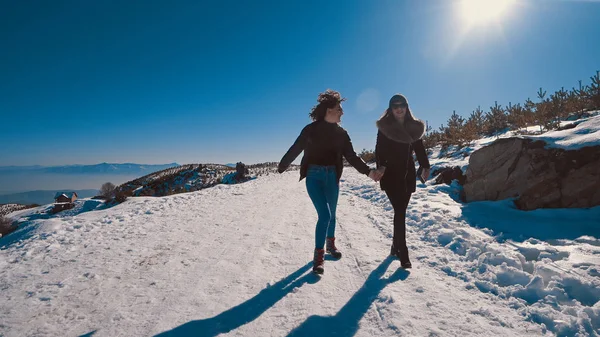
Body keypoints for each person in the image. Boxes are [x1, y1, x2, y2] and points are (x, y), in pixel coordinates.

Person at [278, 89, 384, 274]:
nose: (342, 112)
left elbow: (351, 156)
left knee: (332, 215)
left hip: (332, 177)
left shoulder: (341, 134)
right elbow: (296, 147)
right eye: (339, 109)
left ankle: (331, 245)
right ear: (329, 110)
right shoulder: (310, 130)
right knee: (325, 216)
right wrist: (283, 164)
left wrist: (368, 172)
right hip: (314, 177)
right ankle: (318, 256)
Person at [375, 94, 430, 269]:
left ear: (407, 107)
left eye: (402, 105)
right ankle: (403, 252)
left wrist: (425, 166)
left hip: (407, 176)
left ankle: (394, 245)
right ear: (390, 109)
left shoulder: (414, 127)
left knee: (400, 211)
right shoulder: (385, 127)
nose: (399, 108)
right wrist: (381, 167)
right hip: (390, 175)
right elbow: (379, 150)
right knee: (399, 211)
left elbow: (419, 148)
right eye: (395, 106)